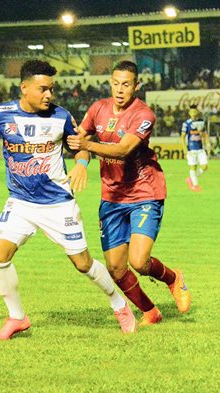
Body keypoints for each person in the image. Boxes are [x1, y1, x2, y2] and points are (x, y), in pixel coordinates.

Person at [0, 60, 138, 340]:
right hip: (20, 202)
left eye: (51, 89)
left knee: (83, 264)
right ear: (24, 88)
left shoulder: (61, 117)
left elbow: (80, 147)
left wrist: (81, 165)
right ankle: (17, 318)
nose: (49, 95)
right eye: (43, 89)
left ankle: (119, 304)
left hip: (57, 204)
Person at [67, 60, 192, 326]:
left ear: (137, 86)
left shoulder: (143, 114)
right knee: (115, 268)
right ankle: (150, 311)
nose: (120, 89)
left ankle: (173, 278)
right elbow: (81, 139)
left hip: (144, 192)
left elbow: (123, 149)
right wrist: (80, 161)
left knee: (139, 260)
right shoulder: (97, 108)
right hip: (111, 197)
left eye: (126, 84)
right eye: (115, 83)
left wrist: (86, 144)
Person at [180, 105, 209, 192]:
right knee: (193, 167)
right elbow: (182, 137)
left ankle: (191, 179)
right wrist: (185, 149)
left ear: (197, 112)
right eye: (192, 112)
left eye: (195, 111)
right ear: (189, 113)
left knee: (205, 166)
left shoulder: (201, 122)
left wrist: (207, 143)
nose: (193, 113)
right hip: (191, 149)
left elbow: (204, 134)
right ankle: (195, 186)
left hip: (200, 148)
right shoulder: (186, 124)